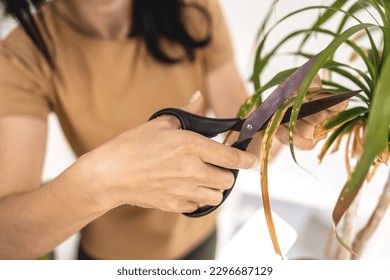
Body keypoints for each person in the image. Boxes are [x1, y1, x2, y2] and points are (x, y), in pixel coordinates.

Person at [0, 0, 344, 260]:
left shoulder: (194, 8)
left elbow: (243, 145)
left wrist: (278, 127)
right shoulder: (19, 56)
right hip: (107, 259)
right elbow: (8, 241)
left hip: (199, 241)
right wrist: (104, 180)